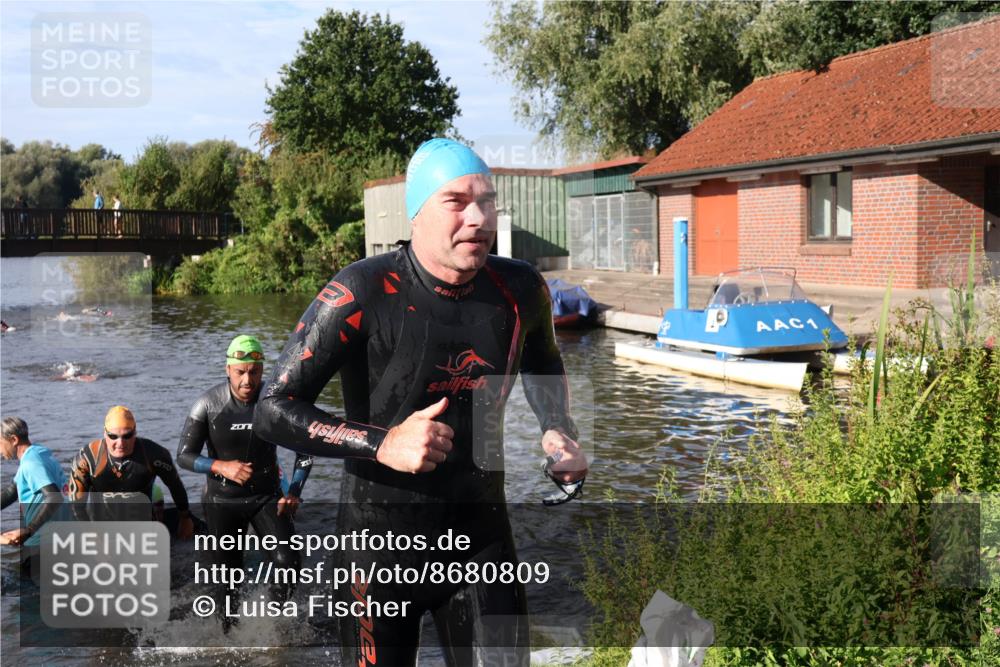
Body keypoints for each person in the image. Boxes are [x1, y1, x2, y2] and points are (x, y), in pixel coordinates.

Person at [254, 138, 588, 665]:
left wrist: (559, 429)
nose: (479, 218)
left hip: (480, 540)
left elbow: (542, 360)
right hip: (376, 549)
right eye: (456, 202)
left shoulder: (520, 288)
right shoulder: (362, 291)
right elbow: (273, 407)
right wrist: (382, 443)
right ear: (417, 215)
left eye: (487, 200)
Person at [176, 334, 312, 600]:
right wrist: (221, 466)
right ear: (228, 369)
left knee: (290, 564)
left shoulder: (275, 403)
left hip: (266, 496)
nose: (247, 381)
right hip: (222, 499)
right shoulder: (207, 404)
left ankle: (269, 622)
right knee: (227, 582)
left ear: (263, 370)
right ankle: (229, 635)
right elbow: (184, 456)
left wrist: (294, 491)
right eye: (240, 372)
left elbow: (305, 452)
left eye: (254, 372)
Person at [67, 406, 194, 540]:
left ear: (135, 432)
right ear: (105, 433)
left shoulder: (154, 454)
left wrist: (185, 518)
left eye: (127, 436)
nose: (120, 443)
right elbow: (76, 506)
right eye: (113, 436)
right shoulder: (87, 458)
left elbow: (175, 485)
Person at [0, 417, 65, 548]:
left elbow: (54, 497)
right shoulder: (37, 452)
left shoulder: (31, 463)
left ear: (13, 440)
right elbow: (13, 491)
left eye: (0, 443)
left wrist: (28, 530)